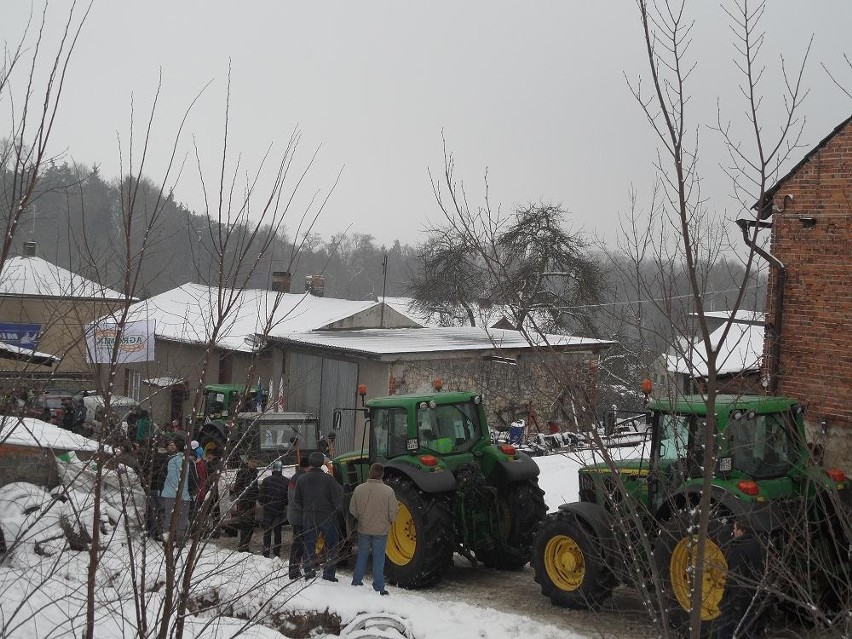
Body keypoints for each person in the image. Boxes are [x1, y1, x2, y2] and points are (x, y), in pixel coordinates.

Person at [349, 463, 398, 596]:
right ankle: (379, 587)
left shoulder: (359, 489)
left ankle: (356, 581)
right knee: (379, 558)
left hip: (363, 529)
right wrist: (389, 521)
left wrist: (361, 517)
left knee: (362, 555)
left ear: (369, 472)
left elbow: (352, 508)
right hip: (381, 530)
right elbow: (393, 512)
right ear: (382, 474)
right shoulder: (388, 491)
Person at [294, 451, 343, 582]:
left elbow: (296, 500)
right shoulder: (330, 480)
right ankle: (329, 573)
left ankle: (309, 571)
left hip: (309, 517)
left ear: (310, 463)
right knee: (332, 545)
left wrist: (306, 510)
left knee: (309, 544)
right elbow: (338, 500)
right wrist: (336, 511)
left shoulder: (302, 479)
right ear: (322, 463)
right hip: (328, 517)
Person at [716, 519, 766, 639]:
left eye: (735, 529)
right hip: (756, 597)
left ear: (741, 530)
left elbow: (735, 580)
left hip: (739, 602)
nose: (733, 532)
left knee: (726, 631)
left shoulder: (737, 551)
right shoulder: (760, 546)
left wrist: (729, 603)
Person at [160, 439, 193, 543]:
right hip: (184, 494)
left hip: (168, 493)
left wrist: (162, 489)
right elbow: (194, 478)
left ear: (177, 448)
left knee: (168, 517)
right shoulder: (189, 461)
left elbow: (162, 475)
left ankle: (167, 539)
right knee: (182, 518)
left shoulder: (169, 460)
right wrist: (192, 492)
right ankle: (180, 540)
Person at [258, 460, 289, 558]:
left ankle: (266, 551)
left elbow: (261, 496)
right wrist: (283, 504)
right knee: (278, 531)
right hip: (280, 509)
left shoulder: (267, 480)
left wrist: (264, 504)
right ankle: (277, 551)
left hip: (268, 509)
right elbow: (287, 497)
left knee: (267, 531)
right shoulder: (286, 481)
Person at [286, 456, 311, 579]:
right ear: (308, 466)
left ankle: (294, 569)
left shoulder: (294, 477)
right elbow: (297, 499)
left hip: (293, 514)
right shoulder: (302, 478)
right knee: (298, 544)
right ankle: (294, 571)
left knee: (298, 543)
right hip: (299, 516)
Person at [232, 456, 259, 552]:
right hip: (244, 501)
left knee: (251, 525)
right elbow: (237, 487)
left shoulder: (255, 473)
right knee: (245, 524)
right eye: (252, 461)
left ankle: (245, 544)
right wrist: (243, 496)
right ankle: (243, 545)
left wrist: (256, 494)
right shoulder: (243, 472)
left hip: (252, 501)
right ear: (248, 462)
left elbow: (254, 487)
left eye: (256, 462)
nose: (254, 464)